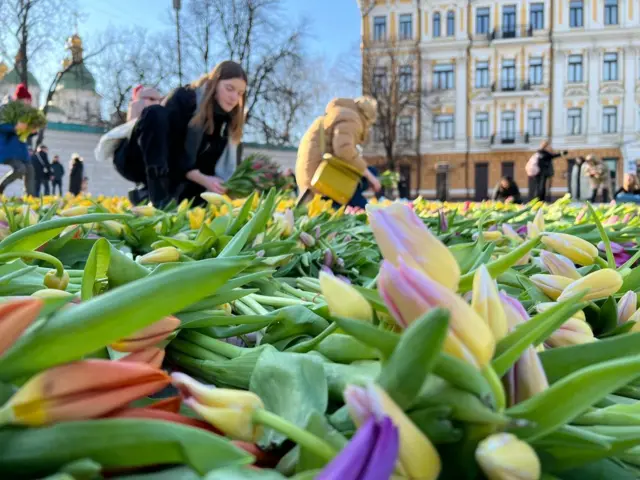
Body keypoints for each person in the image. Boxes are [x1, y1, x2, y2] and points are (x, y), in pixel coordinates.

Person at [113, 61, 247, 207]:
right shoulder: (185, 97)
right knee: (155, 113)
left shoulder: (228, 126)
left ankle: (165, 199)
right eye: (229, 88)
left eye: (240, 93)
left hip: (180, 174)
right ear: (214, 83)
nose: (234, 97)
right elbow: (168, 147)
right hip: (140, 158)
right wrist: (202, 178)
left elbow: (210, 167)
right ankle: (157, 198)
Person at [295, 96, 381, 205]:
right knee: (370, 173)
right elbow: (344, 150)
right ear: (369, 117)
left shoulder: (339, 113)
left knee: (365, 174)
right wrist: (370, 176)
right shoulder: (352, 118)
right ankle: (360, 210)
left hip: (312, 175)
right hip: (320, 179)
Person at [0, 84, 33, 195]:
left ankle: (30, 198)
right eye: (26, 100)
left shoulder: (24, 114)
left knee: (30, 170)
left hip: (20, 150)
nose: (28, 103)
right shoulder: (7, 108)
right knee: (20, 169)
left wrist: (31, 130)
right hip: (8, 148)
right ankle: (1, 186)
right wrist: (14, 128)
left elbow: (24, 132)